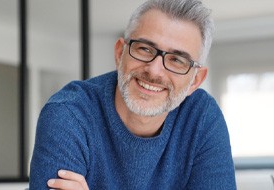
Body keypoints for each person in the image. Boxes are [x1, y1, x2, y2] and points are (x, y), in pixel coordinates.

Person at [29, 0, 237, 189]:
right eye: (145, 49)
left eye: (177, 60)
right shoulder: (68, 113)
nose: (154, 71)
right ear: (120, 53)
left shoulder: (202, 118)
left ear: (196, 80)